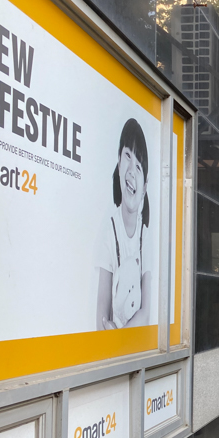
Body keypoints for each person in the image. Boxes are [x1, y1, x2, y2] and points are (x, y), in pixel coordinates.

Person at [96, 118, 152, 330]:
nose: (131, 170)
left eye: (138, 166)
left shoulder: (145, 236)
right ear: (119, 163)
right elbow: (101, 316)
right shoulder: (109, 229)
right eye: (127, 156)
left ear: (144, 187)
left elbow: (146, 314)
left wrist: (119, 335)